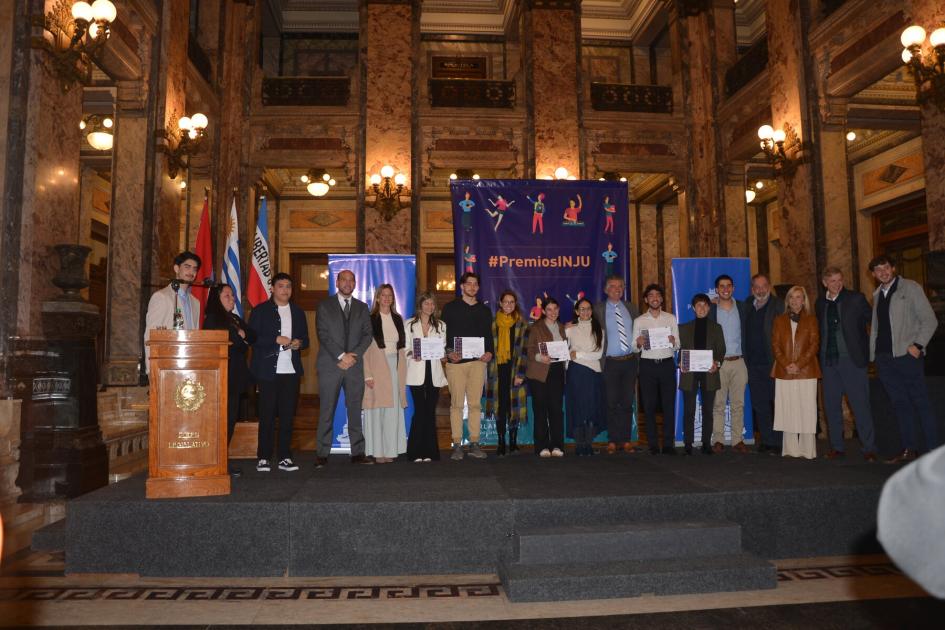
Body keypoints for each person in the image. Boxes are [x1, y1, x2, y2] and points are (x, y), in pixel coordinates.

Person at [868, 255, 941, 463]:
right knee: (900, 404)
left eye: (886, 268)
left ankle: (935, 454)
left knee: (921, 403)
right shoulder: (877, 294)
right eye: (878, 270)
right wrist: (874, 356)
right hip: (884, 360)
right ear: (873, 274)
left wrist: (918, 346)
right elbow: (877, 328)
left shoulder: (911, 288)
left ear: (893, 268)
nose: (883, 272)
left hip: (906, 357)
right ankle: (910, 449)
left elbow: (929, 320)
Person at [814, 266, 877, 462]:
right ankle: (837, 448)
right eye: (832, 281)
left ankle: (869, 448)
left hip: (853, 361)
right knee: (831, 407)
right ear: (825, 283)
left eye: (839, 280)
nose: (837, 284)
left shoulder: (856, 298)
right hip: (829, 362)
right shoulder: (820, 303)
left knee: (860, 406)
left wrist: (870, 348)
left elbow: (874, 321)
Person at [248, 272, 309, 472]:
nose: (285, 290)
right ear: (272, 288)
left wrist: (299, 343)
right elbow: (253, 339)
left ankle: (285, 456)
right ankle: (264, 456)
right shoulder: (260, 311)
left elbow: (306, 340)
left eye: (289, 286)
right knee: (266, 415)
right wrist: (275, 340)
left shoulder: (298, 312)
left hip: (290, 371)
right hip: (267, 371)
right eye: (281, 286)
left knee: (287, 416)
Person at [315, 269, 375, 467]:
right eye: (344, 280)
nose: (348, 283)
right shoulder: (324, 305)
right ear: (337, 282)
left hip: (354, 366)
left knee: (355, 410)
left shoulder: (362, 307)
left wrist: (353, 355)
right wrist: (341, 355)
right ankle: (322, 454)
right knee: (326, 410)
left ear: (355, 284)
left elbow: (368, 335)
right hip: (331, 365)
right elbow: (322, 334)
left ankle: (358, 453)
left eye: (351, 280)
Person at [203, 283, 256, 477]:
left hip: (234, 378)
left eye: (232, 295)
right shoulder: (213, 320)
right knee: (221, 422)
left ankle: (222, 460)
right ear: (217, 298)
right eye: (227, 296)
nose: (233, 299)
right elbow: (238, 345)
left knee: (230, 420)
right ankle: (215, 462)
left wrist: (242, 336)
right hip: (221, 379)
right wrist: (241, 338)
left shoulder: (233, 318)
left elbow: (252, 335)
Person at [440, 272, 494, 461]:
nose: (472, 287)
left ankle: (474, 442)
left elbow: (488, 336)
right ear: (461, 286)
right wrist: (448, 352)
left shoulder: (485, 311)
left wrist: (489, 352)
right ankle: (456, 444)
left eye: (475, 284)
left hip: (478, 363)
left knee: (475, 404)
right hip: (456, 364)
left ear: (478, 288)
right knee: (456, 404)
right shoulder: (450, 308)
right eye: (468, 284)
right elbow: (443, 335)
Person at [772, 285, 821, 459]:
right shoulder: (779, 320)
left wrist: (799, 364)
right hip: (784, 371)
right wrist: (787, 364)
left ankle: (808, 450)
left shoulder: (812, 320)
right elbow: (776, 346)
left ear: (804, 300)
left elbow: (814, 345)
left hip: (807, 371)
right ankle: (790, 449)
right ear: (787, 301)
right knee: (788, 409)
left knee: (807, 409)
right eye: (791, 297)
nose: (795, 301)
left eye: (798, 297)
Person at [594, 275, 640, 454]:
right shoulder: (598, 309)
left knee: (628, 402)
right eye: (613, 286)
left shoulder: (631, 308)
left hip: (630, 361)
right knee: (611, 402)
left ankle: (626, 440)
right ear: (606, 290)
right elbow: (586, 323)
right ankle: (613, 440)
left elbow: (639, 330)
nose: (617, 289)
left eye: (620, 286)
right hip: (610, 362)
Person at [362, 284, 408, 464]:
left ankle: (391, 450)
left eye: (390, 295)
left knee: (392, 411)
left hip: (395, 367)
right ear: (378, 298)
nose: (387, 298)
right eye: (383, 295)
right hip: (376, 367)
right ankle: (377, 451)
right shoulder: (370, 319)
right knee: (377, 410)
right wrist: (367, 374)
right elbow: (363, 349)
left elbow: (402, 347)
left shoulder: (398, 318)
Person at [633, 284, 680, 454]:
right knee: (649, 406)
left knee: (669, 405)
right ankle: (652, 444)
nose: (654, 298)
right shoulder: (639, 321)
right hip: (647, 366)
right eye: (651, 295)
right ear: (646, 299)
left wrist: (673, 341)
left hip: (667, 364)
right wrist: (638, 343)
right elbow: (633, 347)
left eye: (658, 295)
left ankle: (668, 444)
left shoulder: (671, 318)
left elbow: (678, 345)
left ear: (661, 299)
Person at [678, 294, 725, 455]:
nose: (702, 308)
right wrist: (680, 362)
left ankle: (706, 443)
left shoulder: (716, 328)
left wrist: (716, 363)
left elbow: (721, 351)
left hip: (709, 374)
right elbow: (680, 351)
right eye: (698, 305)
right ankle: (688, 444)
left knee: (707, 411)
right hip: (689, 374)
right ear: (693, 308)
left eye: (705, 305)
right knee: (689, 411)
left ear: (709, 308)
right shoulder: (683, 328)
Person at [709, 274, 750, 454]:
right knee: (718, 403)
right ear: (716, 289)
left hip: (739, 361)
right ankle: (718, 439)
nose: (725, 289)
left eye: (728, 286)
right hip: (719, 363)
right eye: (721, 286)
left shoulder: (743, 307)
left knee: (738, 403)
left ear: (733, 288)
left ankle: (737, 439)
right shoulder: (711, 309)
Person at [744, 273, 785, 454]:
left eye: (763, 286)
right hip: (752, 364)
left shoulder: (779, 305)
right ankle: (767, 440)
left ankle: (779, 441)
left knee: (777, 403)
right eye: (756, 287)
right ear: (752, 289)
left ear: (769, 286)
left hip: (774, 362)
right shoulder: (746, 305)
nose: (760, 290)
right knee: (760, 404)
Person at [405, 292, 448, 462]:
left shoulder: (441, 325)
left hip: (434, 371)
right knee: (420, 410)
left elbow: (442, 347)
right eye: (426, 303)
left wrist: (444, 355)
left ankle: (431, 452)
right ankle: (416, 452)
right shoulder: (409, 324)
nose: (429, 307)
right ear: (420, 305)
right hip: (416, 371)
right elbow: (405, 347)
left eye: (432, 304)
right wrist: (412, 353)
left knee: (429, 411)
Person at [485, 290, 529, 456]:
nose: (509, 305)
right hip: (497, 372)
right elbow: (488, 348)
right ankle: (501, 441)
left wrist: (521, 374)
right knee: (500, 406)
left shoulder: (522, 325)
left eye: (512, 302)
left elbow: (525, 353)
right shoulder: (493, 324)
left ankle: (513, 441)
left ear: (515, 304)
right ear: (500, 303)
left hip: (515, 371)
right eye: (506, 302)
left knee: (514, 406)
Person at [144, 251, 202, 370]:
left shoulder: (196, 303)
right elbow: (151, 336)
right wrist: (151, 369)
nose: (191, 272)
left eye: (195, 269)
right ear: (176, 268)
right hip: (166, 365)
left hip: (189, 363)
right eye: (187, 267)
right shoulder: (162, 297)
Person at [526, 297, 567, 457]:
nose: (553, 312)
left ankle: (557, 445)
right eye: (549, 309)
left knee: (556, 410)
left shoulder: (563, 327)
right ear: (543, 311)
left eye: (555, 309)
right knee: (541, 410)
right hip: (539, 372)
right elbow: (529, 350)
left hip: (557, 371)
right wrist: (539, 357)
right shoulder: (535, 328)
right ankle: (542, 446)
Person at [566, 297, 605, 456]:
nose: (585, 311)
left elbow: (598, 354)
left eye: (588, 308)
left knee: (590, 409)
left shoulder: (599, 330)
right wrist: (573, 356)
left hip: (593, 373)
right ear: (576, 312)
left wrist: (579, 354)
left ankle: (588, 444)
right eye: (582, 309)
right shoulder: (569, 329)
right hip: (575, 373)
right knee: (577, 408)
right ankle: (579, 445)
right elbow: (566, 353)